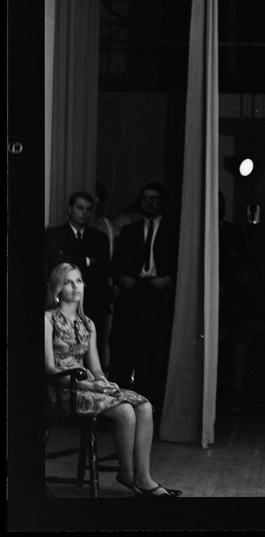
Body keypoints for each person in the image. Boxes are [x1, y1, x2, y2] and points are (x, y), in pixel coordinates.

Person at [44, 262, 181, 496]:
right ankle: (127, 474)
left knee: (145, 406)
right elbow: (48, 368)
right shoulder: (47, 320)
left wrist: (104, 383)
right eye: (68, 282)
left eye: (78, 281)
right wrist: (88, 384)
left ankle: (144, 477)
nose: (75, 287)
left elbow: (95, 367)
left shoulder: (88, 324)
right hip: (62, 389)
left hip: (88, 385)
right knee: (126, 411)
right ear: (57, 288)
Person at [109, 182, 179, 418]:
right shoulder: (130, 230)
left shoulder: (174, 230)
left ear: (163, 202)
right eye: (145, 198)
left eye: (154, 198)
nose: (149, 203)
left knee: (156, 353)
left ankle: (154, 411)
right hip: (133, 295)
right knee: (128, 350)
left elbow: (185, 265)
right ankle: (126, 408)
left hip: (160, 294)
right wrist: (120, 279)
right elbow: (115, 264)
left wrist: (169, 279)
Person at [217, 192, 265, 410]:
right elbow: (237, 315)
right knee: (238, 345)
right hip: (243, 325)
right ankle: (236, 393)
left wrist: (264, 325)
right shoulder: (238, 291)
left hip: (263, 326)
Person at [44, 191, 114, 363]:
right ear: (70, 209)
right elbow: (56, 264)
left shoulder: (99, 238)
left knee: (92, 349)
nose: (85, 212)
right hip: (64, 300)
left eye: (89, 209)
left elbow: (103, 269)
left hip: (94, 300)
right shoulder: (54, 234)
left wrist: (70, 259)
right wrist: (87, 260)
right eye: (80, 208)